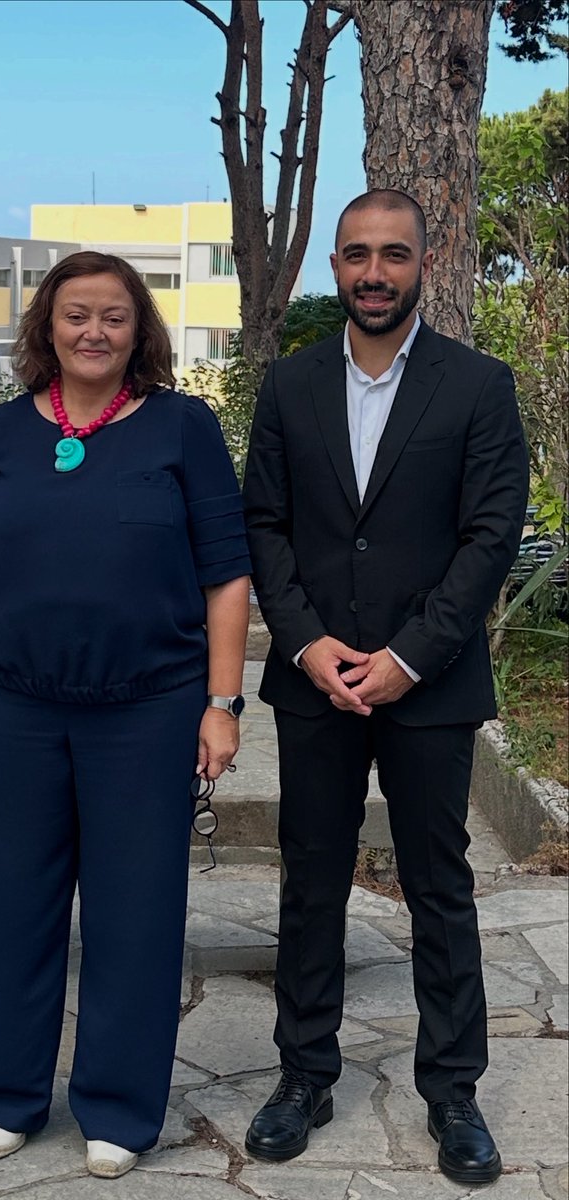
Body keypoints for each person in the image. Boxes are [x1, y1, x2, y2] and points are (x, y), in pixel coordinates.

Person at [0, 251, 251, 1178]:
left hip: (147, 713)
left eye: (114, 316)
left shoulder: (184, 428)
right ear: (46, 325)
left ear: (139, 330)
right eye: (77, 315)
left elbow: (227, 577)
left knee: (137, 914)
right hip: (14, 710)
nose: (94, 332)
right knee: (17, 906)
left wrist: (221, 705)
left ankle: (116, 1105)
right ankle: (6, 1096)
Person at [242, 189, 529, 1185]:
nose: (374, 272)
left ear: (424, 264)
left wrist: (408, 656)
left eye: (394, 255)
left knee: (439, 886)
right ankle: (301, 1076)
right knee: (310, 881)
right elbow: (264, 526)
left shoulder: (479, 386)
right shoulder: (290, 385)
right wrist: (310, 643)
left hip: (431, 685)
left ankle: (453, 1089)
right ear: (335, 261)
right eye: (358, 254)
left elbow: (490, 537)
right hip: (314, 680)